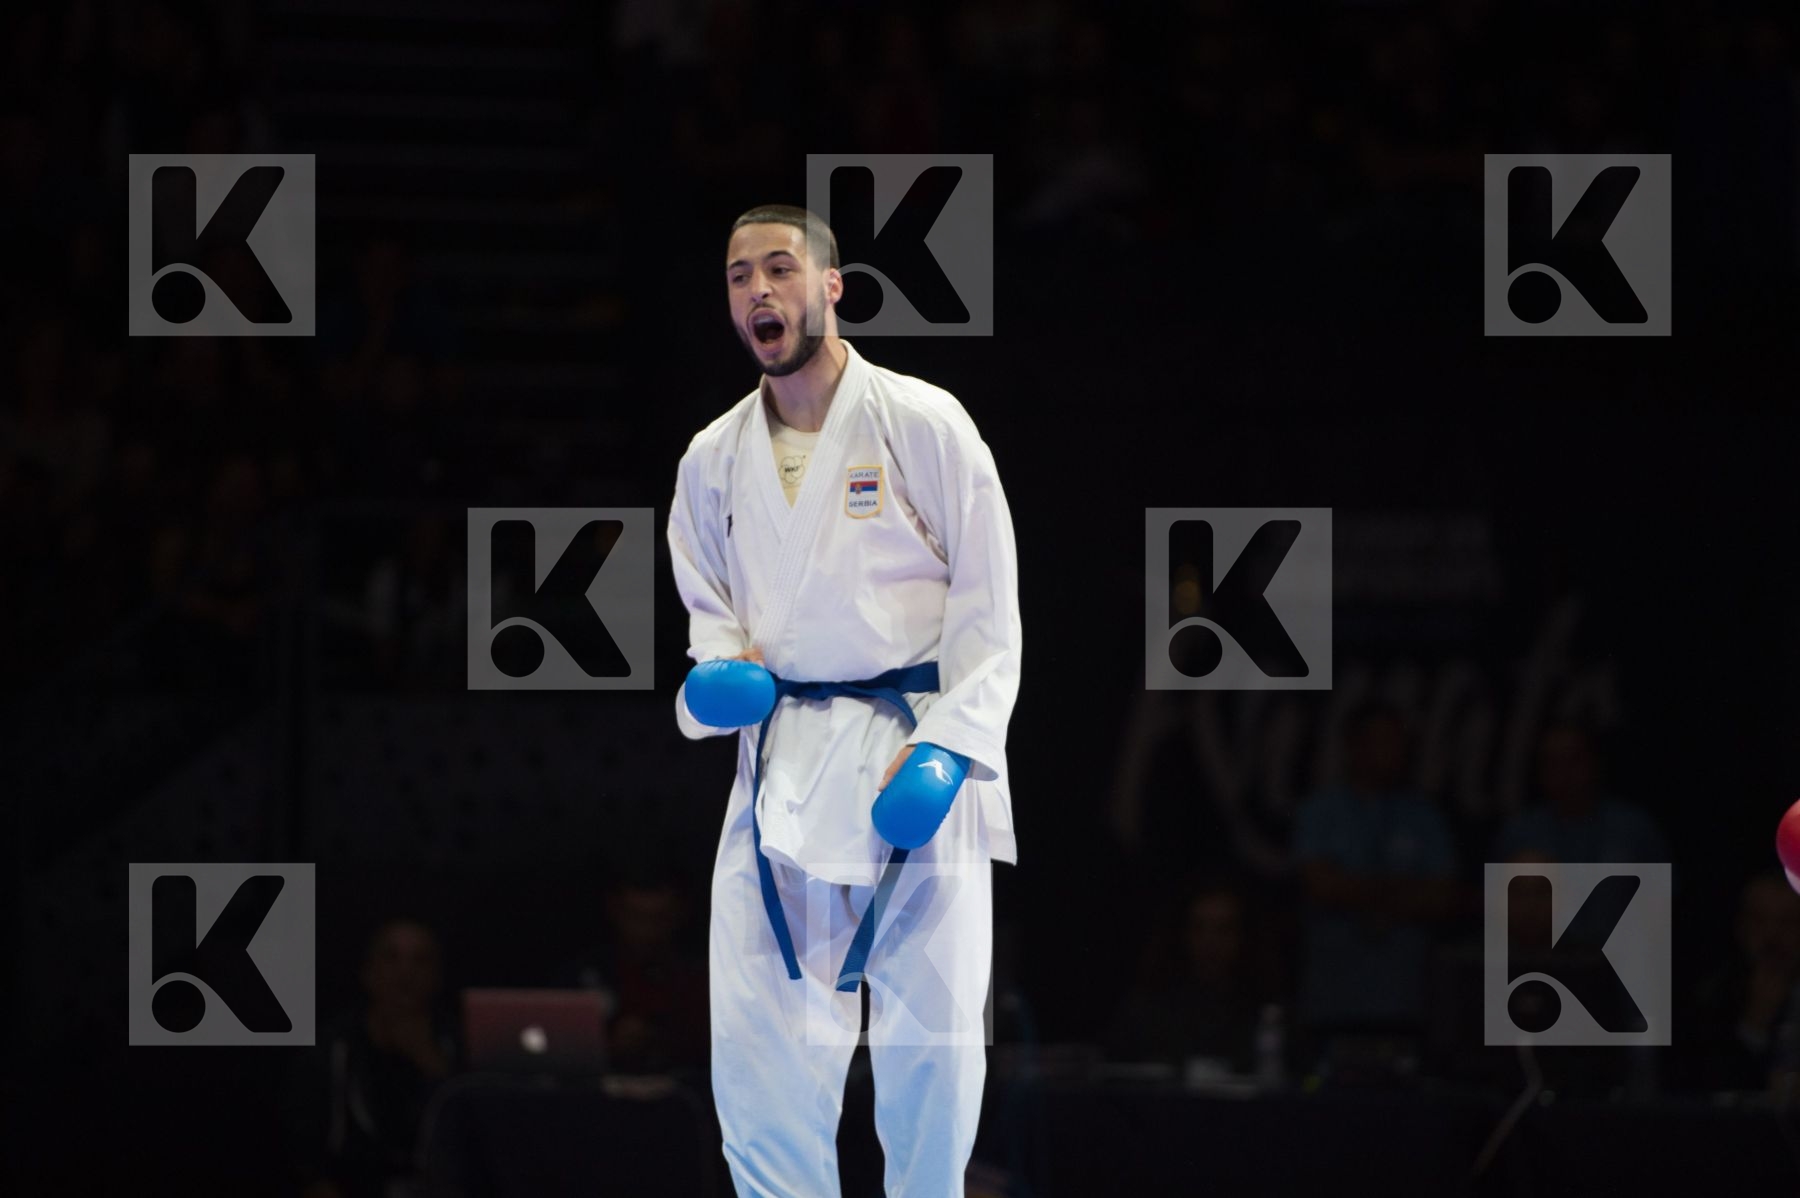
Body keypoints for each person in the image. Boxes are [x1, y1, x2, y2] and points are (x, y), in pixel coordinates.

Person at [667, 204, 1022, 1196]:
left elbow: (991, 613)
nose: (759, 292)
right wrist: (710, 682)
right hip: (778, 780)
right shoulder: (710, 458)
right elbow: (711, 620)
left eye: (780, 269)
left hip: (912, 771)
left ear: (834, 286)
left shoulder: (922, 421)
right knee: (759, 1061)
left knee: (933, 1061)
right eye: (740, 278)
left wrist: (953, 745)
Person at [1292, 702, 1458, 1036]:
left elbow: (1444, 896)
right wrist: (1403, 892)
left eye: (1397, 741)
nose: (1391, 751)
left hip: (1405, 998)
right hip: (1334, 997)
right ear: (1353, 745)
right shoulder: (1321, 810)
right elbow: (1321, 885)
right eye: (1380, 740)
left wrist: (1355, 890)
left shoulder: (1423, 816)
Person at [287, 917, 457, 1198]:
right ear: (368, 972)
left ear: (437, 977)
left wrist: (430, 1061)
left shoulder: (460, 1048)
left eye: (420, 961)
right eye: (391, 958)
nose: (405, 973)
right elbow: (304, 1157)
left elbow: (478, 1139)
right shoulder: (329, 1051)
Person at [1493, 721, 1667, 865]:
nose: (1563, 773)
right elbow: (1498, 903)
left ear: (1595, 763)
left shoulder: (1634, 829)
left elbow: (1663, 901)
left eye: (1573, 760)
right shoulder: (1519, 834)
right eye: (1553, 763)